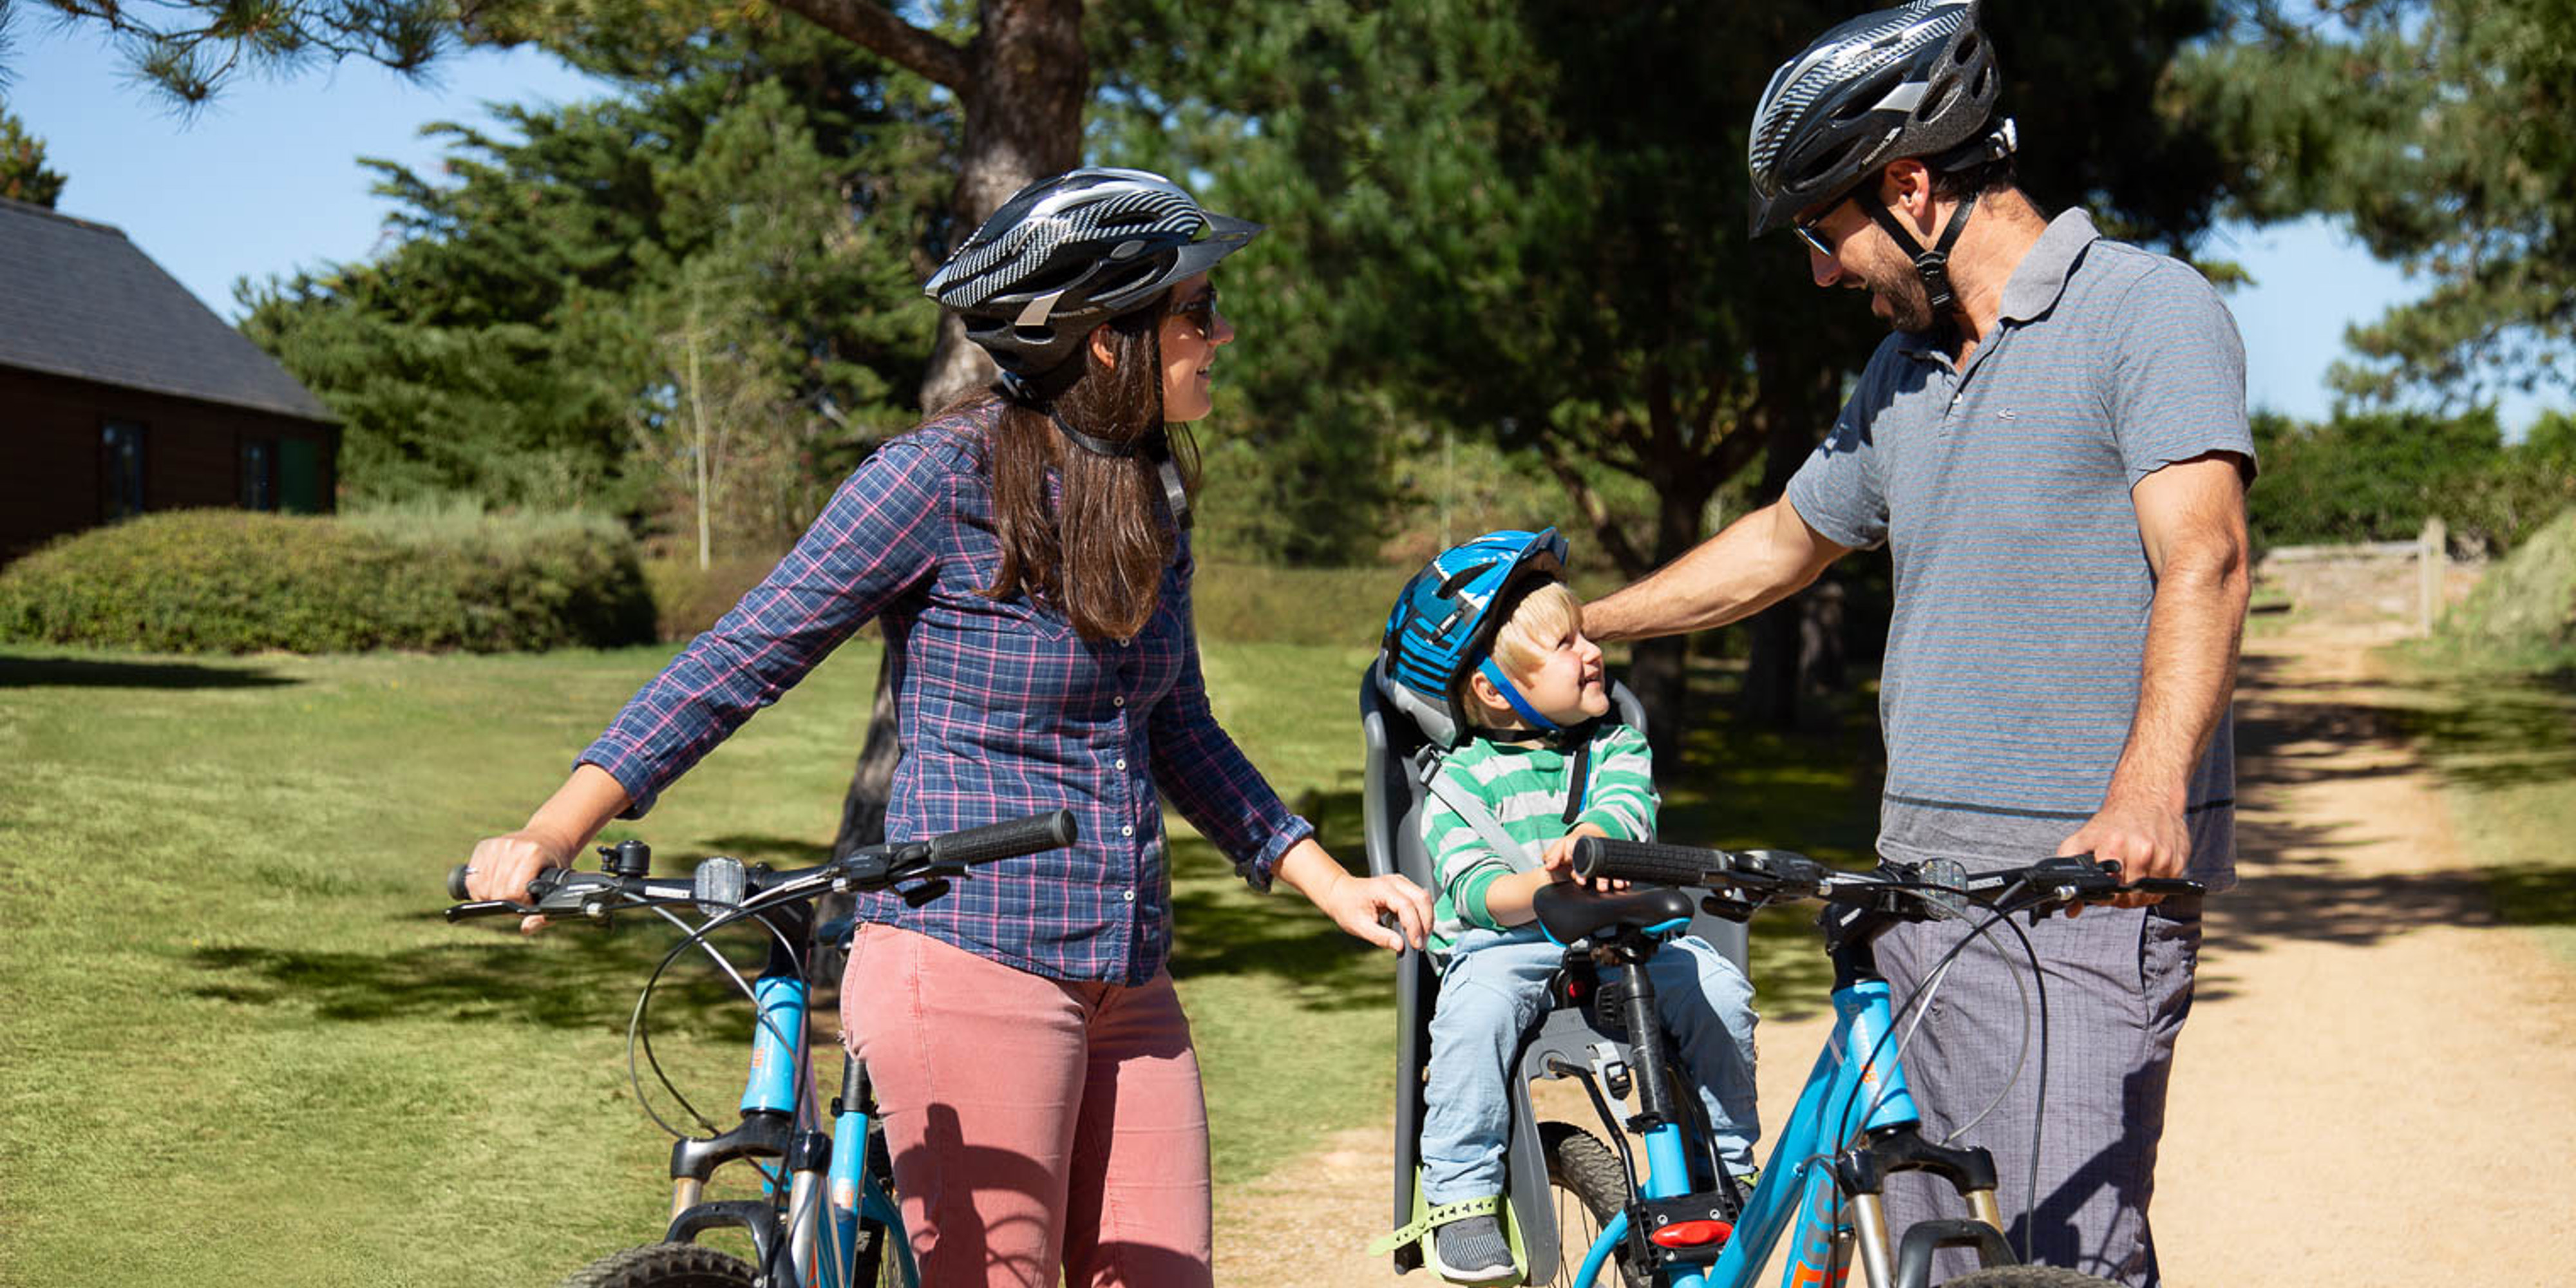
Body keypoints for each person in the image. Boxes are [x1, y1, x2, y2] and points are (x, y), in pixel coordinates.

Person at [462, 166, 1434, 1288]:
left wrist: (1323, 877)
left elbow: (1178, 725)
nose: (1223, 331)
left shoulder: (1148, 493)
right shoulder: (939, 477)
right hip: (974, 957)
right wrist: (555, 828)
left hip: (1129, 974)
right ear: (1106, 340)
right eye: (1196, 310)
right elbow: (744, 656)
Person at [1584, 3, 2255, 1285]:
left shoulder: (2140, 310)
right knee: (1936, 1259)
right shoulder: (1902, 371)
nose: (1823, 273)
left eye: (1823, 233)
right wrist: (1587, 620)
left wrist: (2143, 793)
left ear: (1907, 187)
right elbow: (1788, 539)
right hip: (1914, 897)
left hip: (2076, 896)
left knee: (2060, 1264)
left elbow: (2204, 556)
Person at [1381, 528, 1759, 1285]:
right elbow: (1472, 889)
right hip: (1510, 943)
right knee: (1471, 1015)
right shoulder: (1459, 779)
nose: (1591, 650)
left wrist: (1596, 838)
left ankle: (1730, 1162)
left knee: (1716, 985)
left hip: (1630, 940)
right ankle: (1462, 1199)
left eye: (1585, 633)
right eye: (1565, 642)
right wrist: (1543, 889)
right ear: (1491, 687)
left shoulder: (1615, 744)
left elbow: (1626, 806)